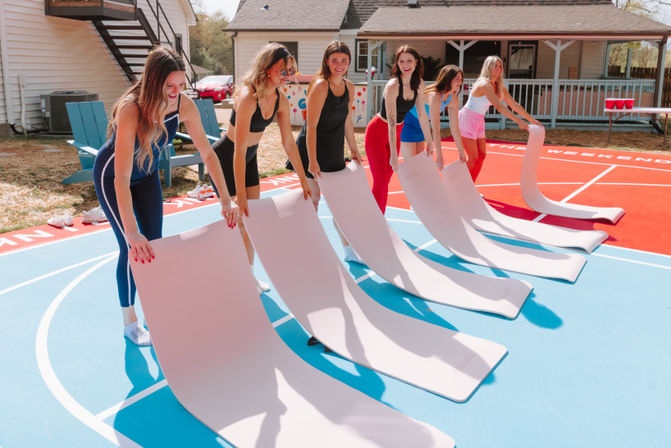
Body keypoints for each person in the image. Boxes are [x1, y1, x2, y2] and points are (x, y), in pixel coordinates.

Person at [93, 47, 238, 346]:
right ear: (153, 83)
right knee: (132, 247)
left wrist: (226, 199)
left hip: (145, 175)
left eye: (180, 85)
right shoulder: (131, 109)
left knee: (155, 243)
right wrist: (132, 231)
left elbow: (208, 154)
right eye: (169, 86)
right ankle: (129, 321)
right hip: (112, 179)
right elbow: (120, 177)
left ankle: (154, 311)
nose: (175, 92)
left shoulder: (183, 105)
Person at [211, 43, 311, 294]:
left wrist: (303, 179)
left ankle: (248, 274)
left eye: (291, 71)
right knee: (238, 220)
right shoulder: (248, 97)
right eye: (283, 71)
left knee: (251, 221)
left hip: (249, 157)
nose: (287, 76)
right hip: (227, 156)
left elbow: (288, 143)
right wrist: (240, 197)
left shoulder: (280, 101)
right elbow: (238, 150)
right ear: (267, 69)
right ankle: (231, 277)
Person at [290, 41, 363, 263]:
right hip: (312, 147)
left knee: (339, 204)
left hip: (333, 148)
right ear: (327, 62)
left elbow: (347, 119)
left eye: (343, 60)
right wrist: (312, 161)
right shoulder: (320, 86)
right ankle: (306, 248)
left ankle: (349, 252)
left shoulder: (349, 86)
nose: (339, 64)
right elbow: (310, 126)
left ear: (349, 61)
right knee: (314, 199)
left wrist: (354, 149)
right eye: (334, 60)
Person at [365, 45, 425, 214]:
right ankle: (376, 220)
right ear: (397, 64)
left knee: (386, 181)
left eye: (409, 60)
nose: (405, 64)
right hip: (378, 131)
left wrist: (429, 140)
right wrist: (393, 154)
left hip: (397, 133)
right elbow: (391, 122)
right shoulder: (393, 85)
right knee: (381, 180)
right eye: (401, 61)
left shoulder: (418, 84)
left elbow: (422, 115)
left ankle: (377, 217)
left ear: (416, 62)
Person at [459, 55, 541, 180]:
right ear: (488, 67)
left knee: (482, 155)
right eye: (495, 66)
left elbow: (513, 104)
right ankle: (461, 188)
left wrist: (532, 120)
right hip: (468, 119)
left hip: (479, 120)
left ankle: (471, 188)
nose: (498, 68)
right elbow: (499, 106)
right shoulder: (484, 84)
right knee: (473, 157)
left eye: (500, 66)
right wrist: (519, 121)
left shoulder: (499, 86)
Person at [399, 64, 467, 170]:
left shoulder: (453, 99)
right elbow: (436, 129)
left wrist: (461, 151)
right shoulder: (435, 96)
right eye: (457, 79)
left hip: (422, 126)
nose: (460, 82)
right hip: (408, 122)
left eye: (461, 79)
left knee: (419, 165)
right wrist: (439, 157)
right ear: (448, 79)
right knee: (411, 166)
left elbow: (455, 126)